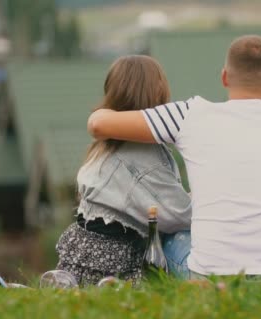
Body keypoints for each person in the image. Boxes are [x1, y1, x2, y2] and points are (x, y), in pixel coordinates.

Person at [86, 35, 261, 280]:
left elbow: (98, 125)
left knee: (169, 228)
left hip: (207, 278)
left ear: (224, 77)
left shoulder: (190, 115)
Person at [55, 55, 192, 286]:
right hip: (112, 265)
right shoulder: (143, 154)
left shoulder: (108, 143)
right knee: (185, 238)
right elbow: (178, 216)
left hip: (80, 259)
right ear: (158, 92)